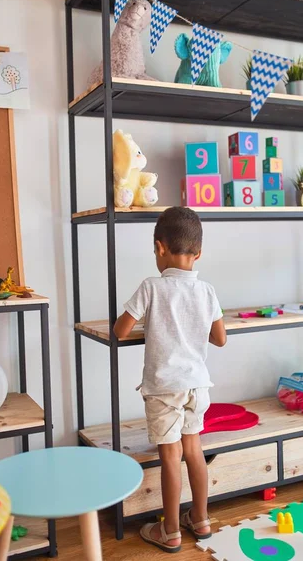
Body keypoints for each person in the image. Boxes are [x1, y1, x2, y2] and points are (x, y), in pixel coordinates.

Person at [114, 206, 227, 554]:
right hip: (198, 386)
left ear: (159, 248)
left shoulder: (152, 287)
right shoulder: (206, 290)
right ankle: (202, 519)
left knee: (169, 457)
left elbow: (120, 331)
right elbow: (220, 338)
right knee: (193, 450)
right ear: (199, 253)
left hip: (164, 389)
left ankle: (171, 531)